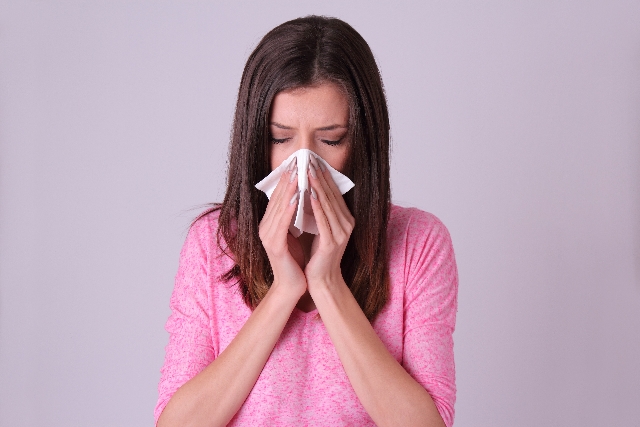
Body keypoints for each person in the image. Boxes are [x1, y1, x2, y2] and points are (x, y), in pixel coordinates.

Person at [155, 15, 458, 427]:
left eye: (331, 139)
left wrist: (328, 282)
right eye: (281, 139)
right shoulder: (212, 243)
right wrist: (284, 291)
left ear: (363, 141)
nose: (303, 166)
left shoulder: (419, 243)